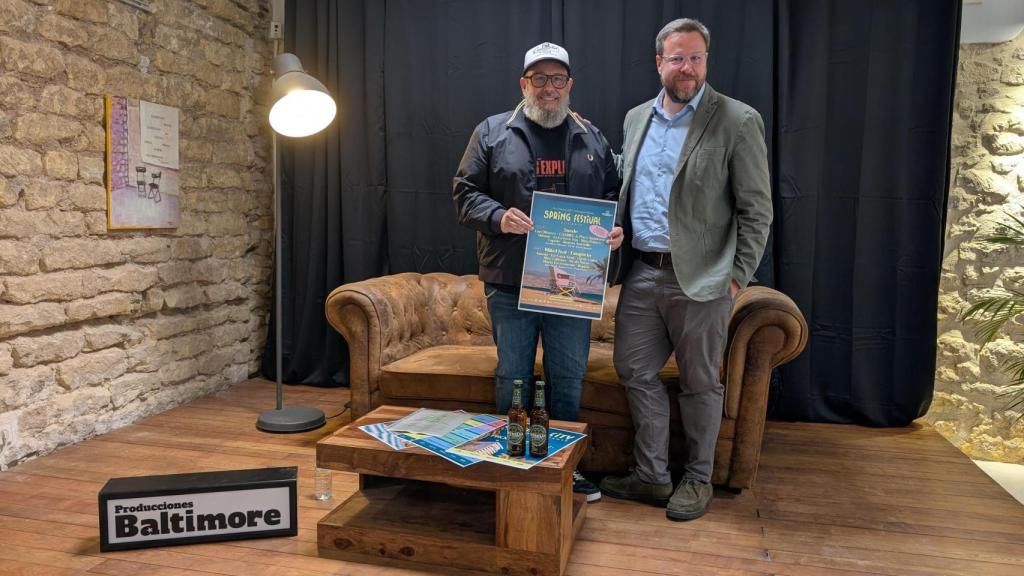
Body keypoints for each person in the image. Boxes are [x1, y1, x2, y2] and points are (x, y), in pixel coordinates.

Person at [598, 18, 772, 521]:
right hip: (643, 274)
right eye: (677, 58)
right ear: (659, 62)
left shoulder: (737, 120)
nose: (687, 68)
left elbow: (756, 210)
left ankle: (698, 479)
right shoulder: (636, 119)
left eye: (696, 57)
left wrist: (736, 276)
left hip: (703, 280)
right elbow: (626, 190)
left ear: (706, 61)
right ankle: (651, 477)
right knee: (634, 370)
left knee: (700, 383)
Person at [453, 42, 622, 502]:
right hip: (509, 281)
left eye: (558, 79)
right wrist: (498, 217)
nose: (549, 88)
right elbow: (464, 193)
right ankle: (509, 463)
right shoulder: (491, 132)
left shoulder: (593, 137)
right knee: (513, 376)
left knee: (568, 377)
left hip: (572, 285)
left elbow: (612, 196)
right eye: (539, 79)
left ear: (569, 85)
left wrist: (614, 231)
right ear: (523, 84)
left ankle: (565, 467)